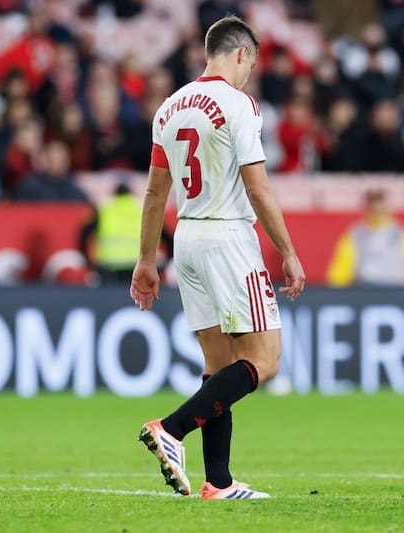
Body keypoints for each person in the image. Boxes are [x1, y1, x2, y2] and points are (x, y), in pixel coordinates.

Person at [130, 16, 305, 500]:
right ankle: (170, 428)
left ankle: (219, 482)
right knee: (263, 361)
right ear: (242, 54)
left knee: (218, 363)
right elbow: (257, 185)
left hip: (185, 239)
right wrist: (287, 251)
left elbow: (154, 192)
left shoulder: (169, 108)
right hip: (228, 236)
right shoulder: (239, 104)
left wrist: (147, 259)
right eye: (252, 63)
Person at [326, 189, 404, 286]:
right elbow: (342, 266)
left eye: (381, 209)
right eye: (374, 210)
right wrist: (337, 290)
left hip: (396, 290)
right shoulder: (356, 233)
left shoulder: (401, 233)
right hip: (364, 291)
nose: (378, 213)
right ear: (368, 208)